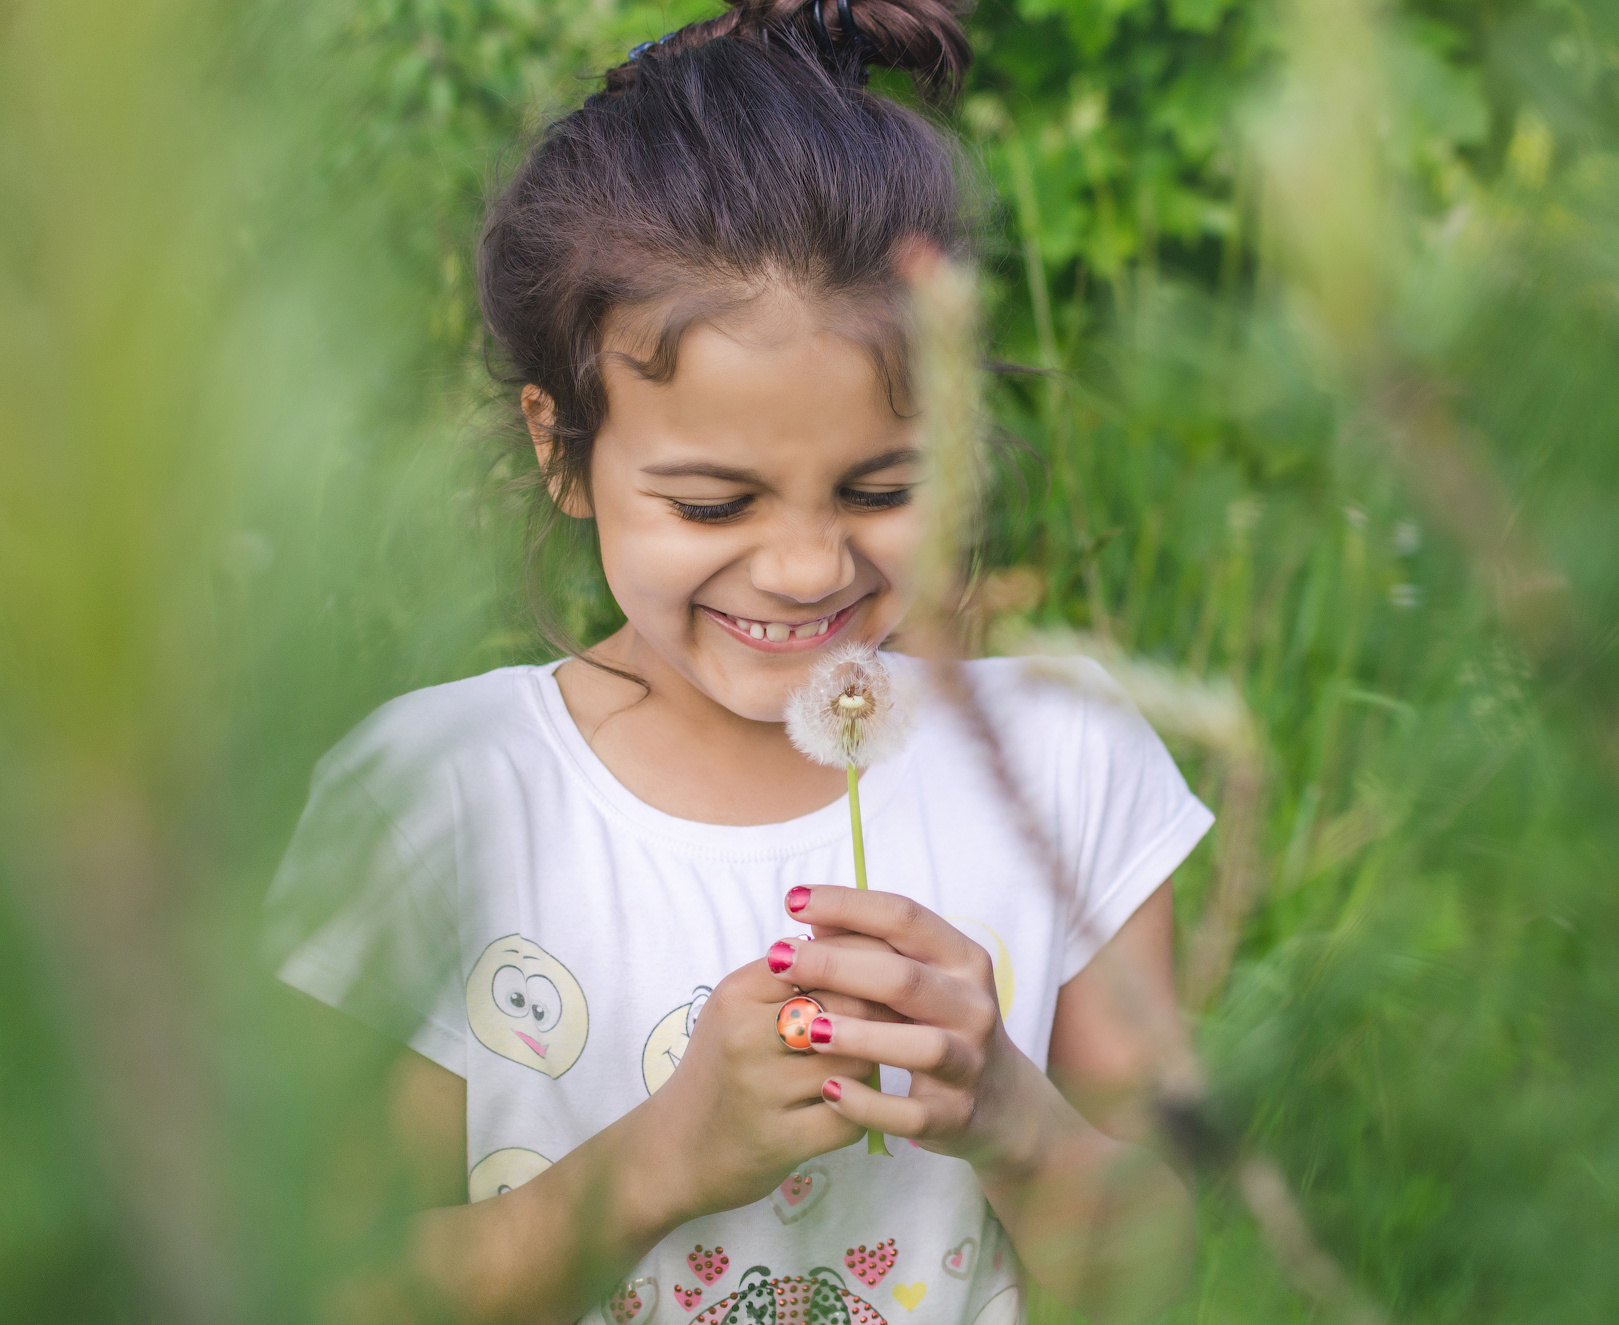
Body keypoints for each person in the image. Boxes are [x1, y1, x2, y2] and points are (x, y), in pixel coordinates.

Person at [267, 2, 1213, 1322]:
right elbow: (325, 1285)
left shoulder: (1068, 760)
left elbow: (1166, 1277)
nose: (809, 568)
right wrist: (668, 1155)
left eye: (886, 484)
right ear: (561, 449)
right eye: (717, 504)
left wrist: (1011, 1111)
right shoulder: (439, 798)